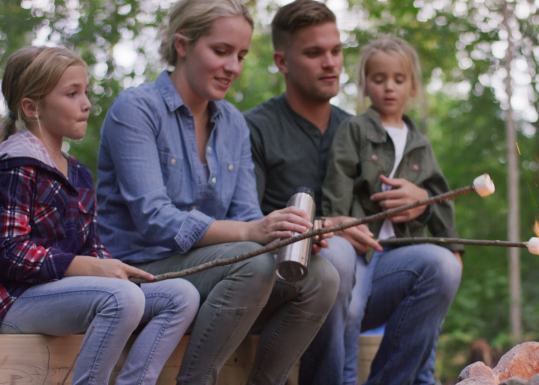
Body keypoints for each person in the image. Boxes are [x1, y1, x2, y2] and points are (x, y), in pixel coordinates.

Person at [96, 1, 338, 384]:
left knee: (322, 275)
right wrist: (250, 234)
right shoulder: (136, 109)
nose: (234, 68)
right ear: (182, 45)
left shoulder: (234, 125)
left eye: (241, 55)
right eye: (221, 52)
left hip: (218, 270)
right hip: (143, 269)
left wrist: (288, 235)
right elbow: (154, 219)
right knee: (252, 261)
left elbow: (245, 215)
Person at [245, 2, 462, 383]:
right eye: (314, 53)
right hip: (289, 279)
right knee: (340, 255)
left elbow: (406, 206)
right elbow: (247, 221)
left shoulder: (363, 130)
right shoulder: (255, 129)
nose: (330, 63)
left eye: (336, 51)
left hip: (363, 275)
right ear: (281, 62)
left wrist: (420, 203)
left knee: (440, 265)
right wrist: (326, 225)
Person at [0, 46, 199, 385]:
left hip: (69, 295)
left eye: (86, 92)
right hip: (18, 302)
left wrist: (116, 269)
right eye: (72, 93)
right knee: (121, 298)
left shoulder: (78, 173)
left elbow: (92, 248)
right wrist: (82, 267)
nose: (87, 103)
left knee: (181, 295)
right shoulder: (15, 165)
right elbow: (10, 251)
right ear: (32, 107)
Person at [322, 36, 463, 385]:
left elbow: (439, 197)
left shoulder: (420, 143)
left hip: (401, 250)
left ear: (412, 86)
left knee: (436, 288)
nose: (388, 88)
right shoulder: (353, 130)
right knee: (351, 309)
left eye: (398, 80)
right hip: (360, 248)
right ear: (365, 83)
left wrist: (453, 246)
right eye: (379, 79)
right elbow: (337, 184)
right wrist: (341, 223)